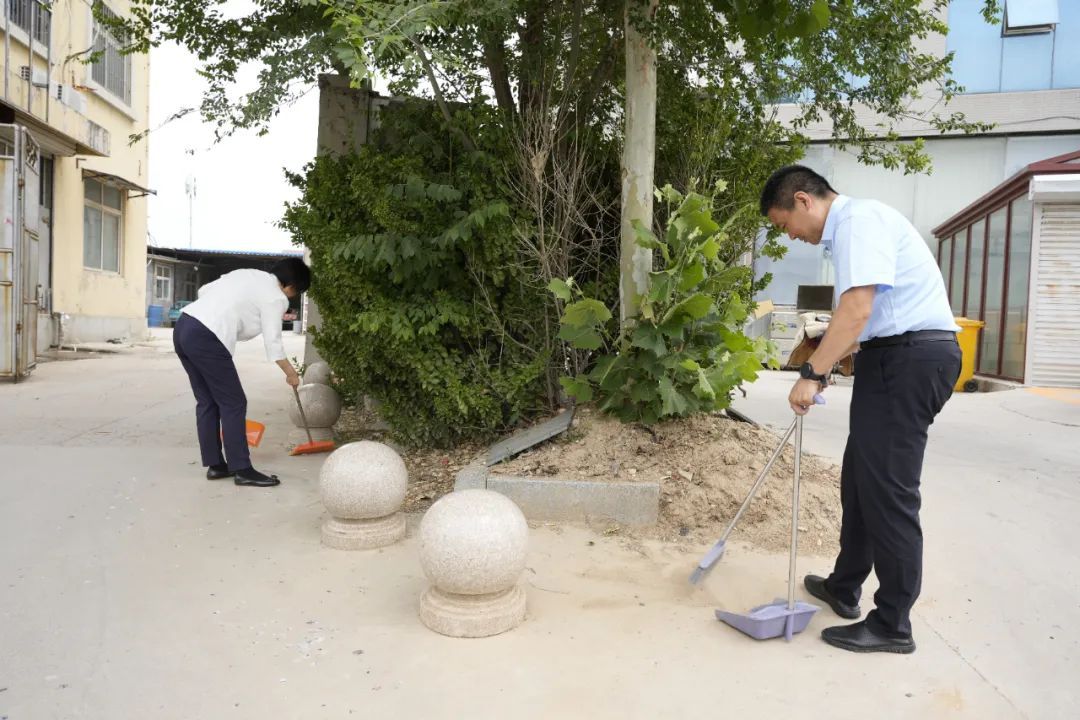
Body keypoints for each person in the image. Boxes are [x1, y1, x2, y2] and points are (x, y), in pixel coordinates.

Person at [759, 165, 961, 654]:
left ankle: (893, 624)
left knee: (889, 491)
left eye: (786, 225)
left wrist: (811, 373)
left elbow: (857, 310)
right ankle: (844, 585)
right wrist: (827, 360)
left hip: (909, 360)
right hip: (893, 357)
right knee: (860, 480)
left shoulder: (857, 222)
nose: (791, 236)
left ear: (803, 200)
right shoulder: (854, 228)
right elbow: (861, 322)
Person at [173, 258, 311, 488]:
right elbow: (274, 344)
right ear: (291, 286)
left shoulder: (247, 273)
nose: (291, 296)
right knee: (233, 402)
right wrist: (291, 373)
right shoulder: (276, 297)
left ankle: (216, 465)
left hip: (184, 326)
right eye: (295, 292)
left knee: (207, 401)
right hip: (207, 336)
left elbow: (204, 290)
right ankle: (242, 469)